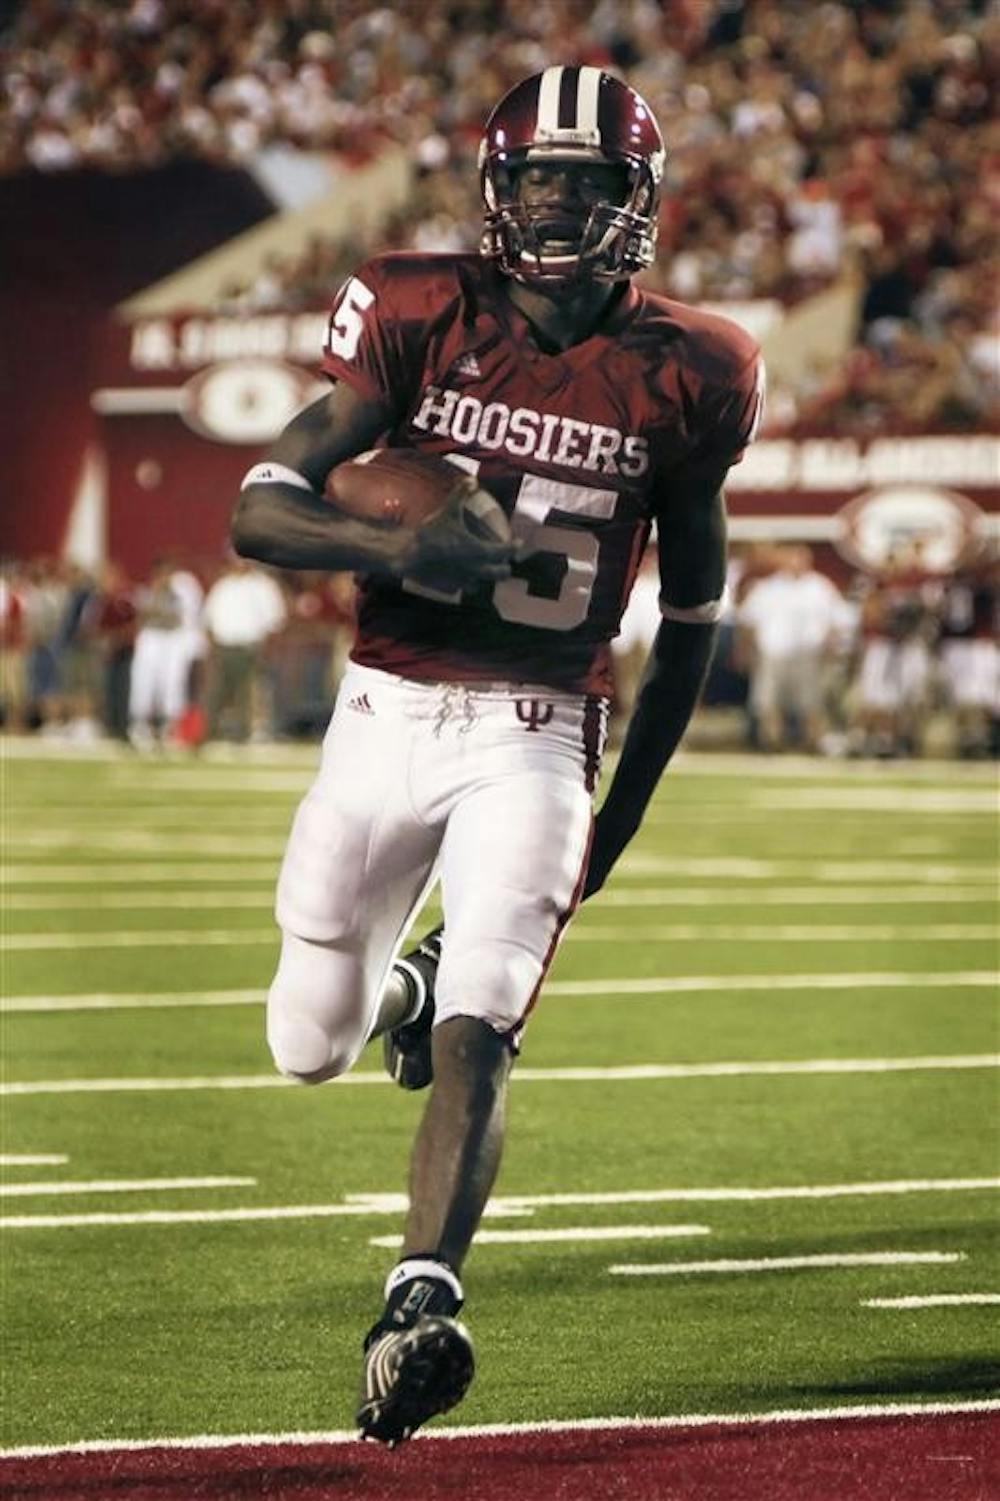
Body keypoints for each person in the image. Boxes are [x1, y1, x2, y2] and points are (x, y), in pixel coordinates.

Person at [232, 66, 763, 1446]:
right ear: (497, 187)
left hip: (541, 728)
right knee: (306, 1041)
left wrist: (614, 824)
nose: (560, 206)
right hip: (382, 711)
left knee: (489, 1015)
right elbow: (262, 506)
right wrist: (394, 545)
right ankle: (390, 995)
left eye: (589, 185)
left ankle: (418, 1298)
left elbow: (693, 617)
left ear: (635, 203)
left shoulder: (693, 370)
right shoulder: (420, 310)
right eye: (539, 180)